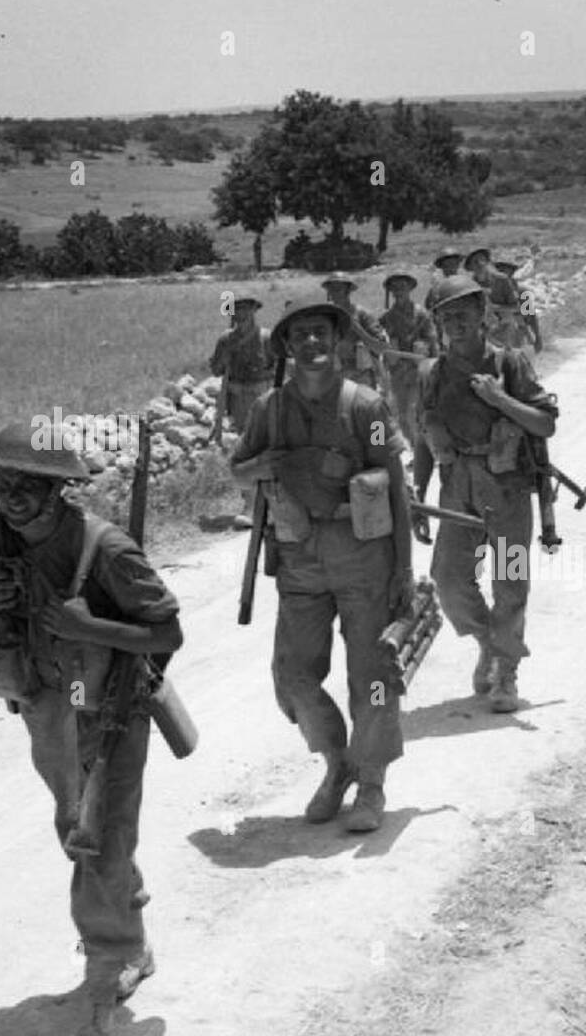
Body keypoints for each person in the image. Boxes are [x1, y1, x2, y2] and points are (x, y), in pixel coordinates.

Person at [0, 421, 183, 1036]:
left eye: (28, 484)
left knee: (94, 840)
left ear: (57, 490)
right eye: (2, 482)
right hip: (47, 708)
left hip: (110, 710)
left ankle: (101, 996)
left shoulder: (106, 550)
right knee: (79, 830)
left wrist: (90, 624)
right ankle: (130, 940)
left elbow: (168, 634)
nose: (11, 496)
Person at [230, 303, 413, 833]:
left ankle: (372, 782)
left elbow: (393, 487)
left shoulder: (366, 407)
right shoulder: (270, 409)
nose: (310, 342)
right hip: (300, 559)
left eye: (320, 332)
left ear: (336, 340)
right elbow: (239, 470)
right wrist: (268, 465)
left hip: (363, 557)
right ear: (286, 347)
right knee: (293, 676)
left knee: (373, 676)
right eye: (299, 335)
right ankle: (338, 763)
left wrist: (402, 568)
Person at [412, 275, 558, 713]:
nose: (455, 322)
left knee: (510, 582)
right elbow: (424, 437)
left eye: (463, 312)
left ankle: (507, 675)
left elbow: (545, 424)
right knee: (449, 579)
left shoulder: (511, 363)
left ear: (483, 315)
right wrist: (419, 495)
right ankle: (489, 644)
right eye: (446, 315)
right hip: (457, 490)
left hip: (508, 488)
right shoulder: (431, 374)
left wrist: (500, 400)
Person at [209, 297, 276, 528]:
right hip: (239, 399)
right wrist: (224, 358)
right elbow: (216, 370)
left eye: (247, 310)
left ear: (255, 312)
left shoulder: (267, 338)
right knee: (246, 448)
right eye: (238, 311)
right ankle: (250, 504)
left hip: (264, 396)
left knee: (269, 445)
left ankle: (273, 501)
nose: (242, 315)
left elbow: (280, 368)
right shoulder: (226, 340)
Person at [377, 272, 438, 450]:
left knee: (415, 411)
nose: (398, 291)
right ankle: (415, 447)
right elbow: (379, 342)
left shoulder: (421, 314)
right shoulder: (386, 317)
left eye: (402, 287)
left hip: (418, 369)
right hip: (398, 371)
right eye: (395, 288)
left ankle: (424, 450)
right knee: (402, 415)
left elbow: (432, 340)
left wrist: (431, 360)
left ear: (410, 289)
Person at [464, 248, 541, 353]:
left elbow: (531, 316)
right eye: (499, 268)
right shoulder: (473, 285)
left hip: (514, 332)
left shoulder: (523, 292)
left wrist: (537, 337)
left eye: (507, 269)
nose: (503, 271)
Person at [321, 273, 388, 387]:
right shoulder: (324, 317)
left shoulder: (362, 314)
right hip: (334, 376)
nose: (334, 293)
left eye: (338, 289)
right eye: (331, 289)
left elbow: (381, 348)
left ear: (347, 291)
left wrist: (358, 330)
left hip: (361, 377)